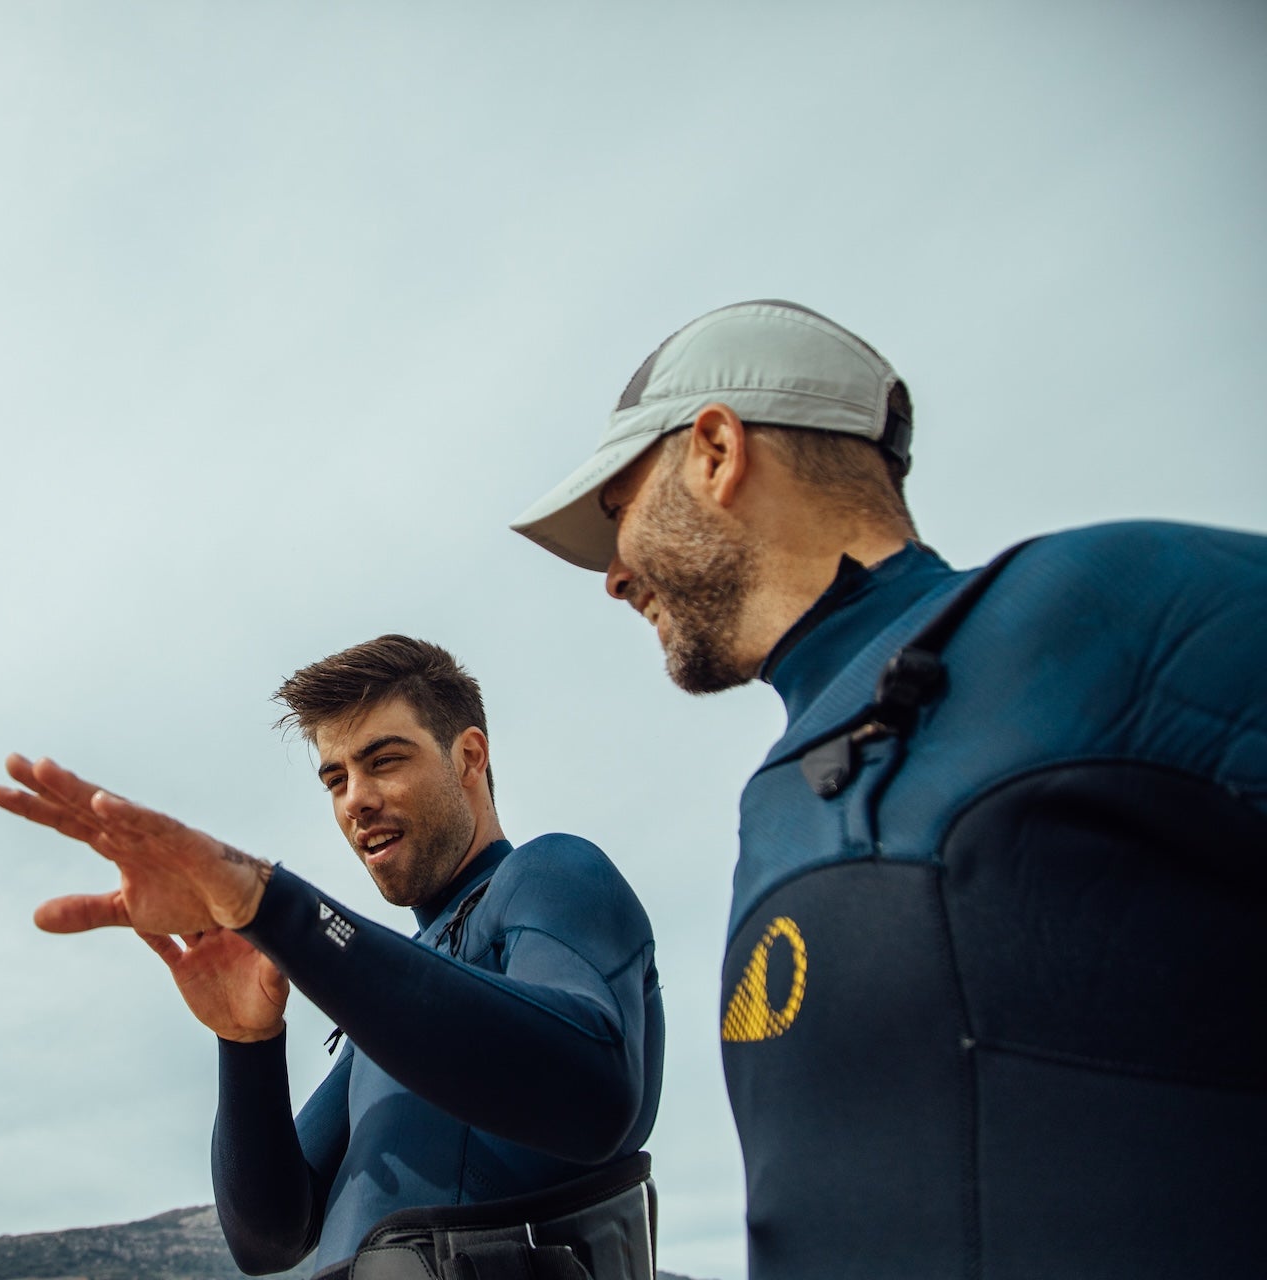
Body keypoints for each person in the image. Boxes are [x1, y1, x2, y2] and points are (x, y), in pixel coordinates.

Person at [510, 298, 1267, 1279]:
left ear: (714, 449)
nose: (612, 576)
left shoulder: (1094, 606)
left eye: (620, 512)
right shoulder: (772, 809)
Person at [0, 635, 664, 1279]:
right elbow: (268, 1239)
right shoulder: (394, 1013)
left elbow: (593, 1088)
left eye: (385, 760)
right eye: (334, 779)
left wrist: (276, 908)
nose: (355, 800)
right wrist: (246, 1044)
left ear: (469, 757)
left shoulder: (553, 874)